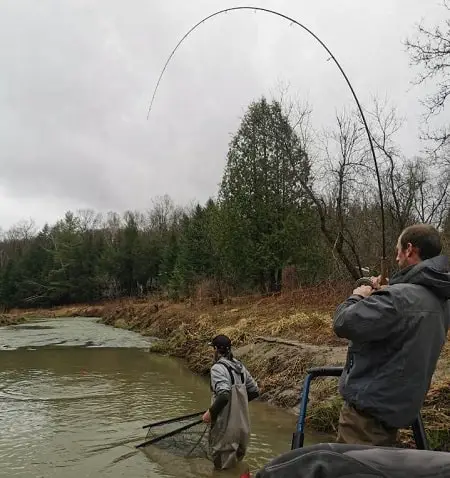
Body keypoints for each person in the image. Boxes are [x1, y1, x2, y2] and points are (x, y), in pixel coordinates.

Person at [332, 223, 450, 446]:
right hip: (397, 414)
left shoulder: (398, 299)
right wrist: (383, 294)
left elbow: (342, 323)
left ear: (409, 249)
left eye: (398, 251)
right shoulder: (442, 301)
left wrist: (358, 296)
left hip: (365, 420)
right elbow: (402, 329)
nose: (396, 258)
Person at [202, 334, 259, 471]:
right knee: (234, 465)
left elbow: (224, 396)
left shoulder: (217, 368)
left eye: (212, 349)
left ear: (216, 349)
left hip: (225, 426)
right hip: (242, 426)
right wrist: (238, 404)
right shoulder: (240, 367)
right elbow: (255, 391)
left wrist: (210, 413)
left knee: (221, 468)